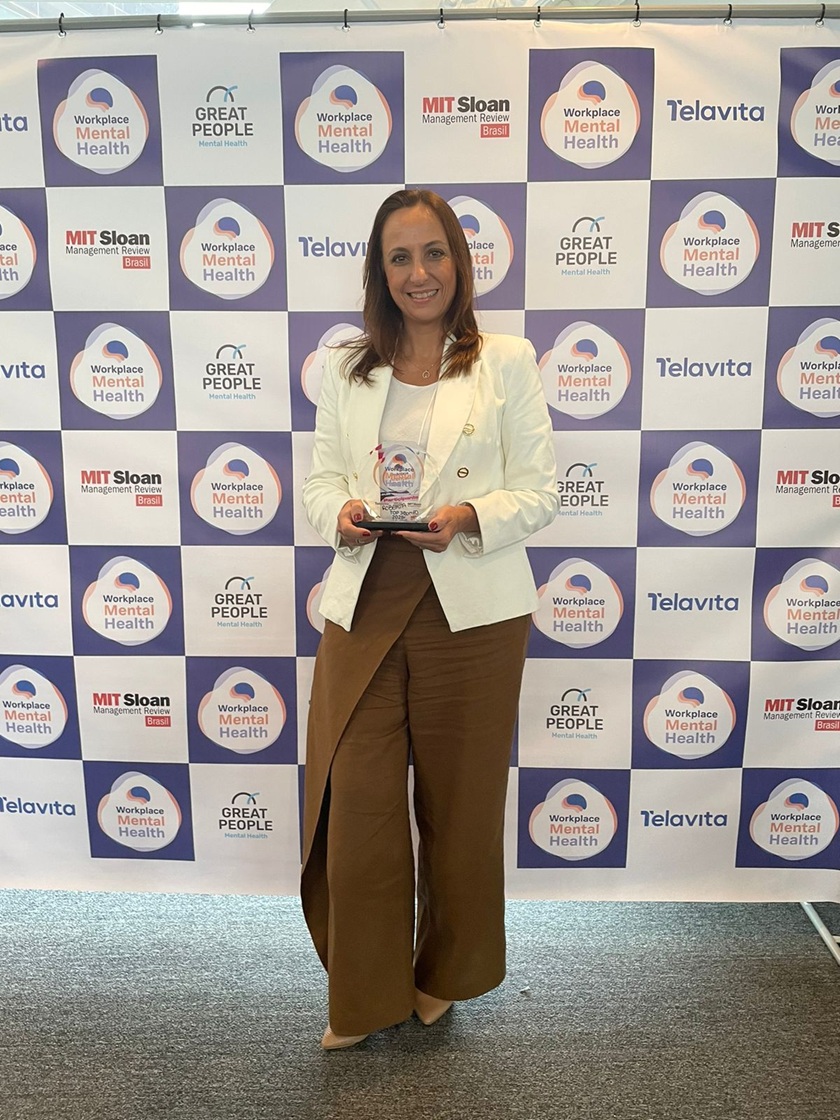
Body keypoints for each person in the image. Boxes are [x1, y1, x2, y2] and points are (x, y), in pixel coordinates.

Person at [301, 188, 559, 1050]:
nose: (420, 273)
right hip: (367, 601)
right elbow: (320, 482)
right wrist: (339, 514)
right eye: (400, 257)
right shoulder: (346, 368)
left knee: (461, 807)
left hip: (473, 610)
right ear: (380, 272)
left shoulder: (506, 361)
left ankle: (441, 976)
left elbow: (540, 492)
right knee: (357, 803)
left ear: (460, 261)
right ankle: (362, 993)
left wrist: (469, 516)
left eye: (434, 252)